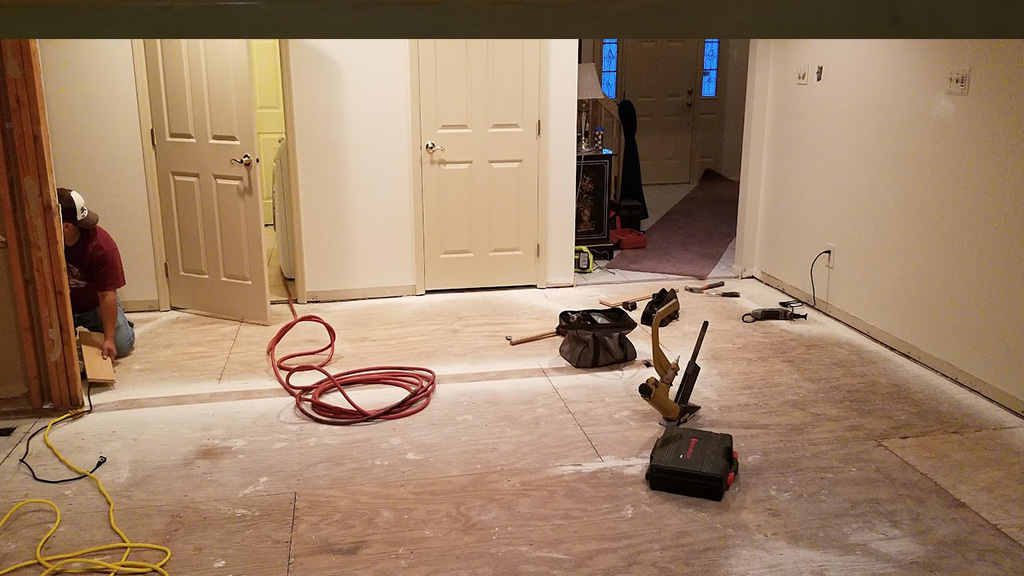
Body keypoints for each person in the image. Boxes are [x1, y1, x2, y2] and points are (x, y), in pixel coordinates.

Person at [58, 188, 135, 360]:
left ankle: (121, 325)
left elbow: (106, 294)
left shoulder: (102, 246)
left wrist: (108, 339)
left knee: (120, 345)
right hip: (62, 306)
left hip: (95, 305)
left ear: (67, 227)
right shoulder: (43, 245)